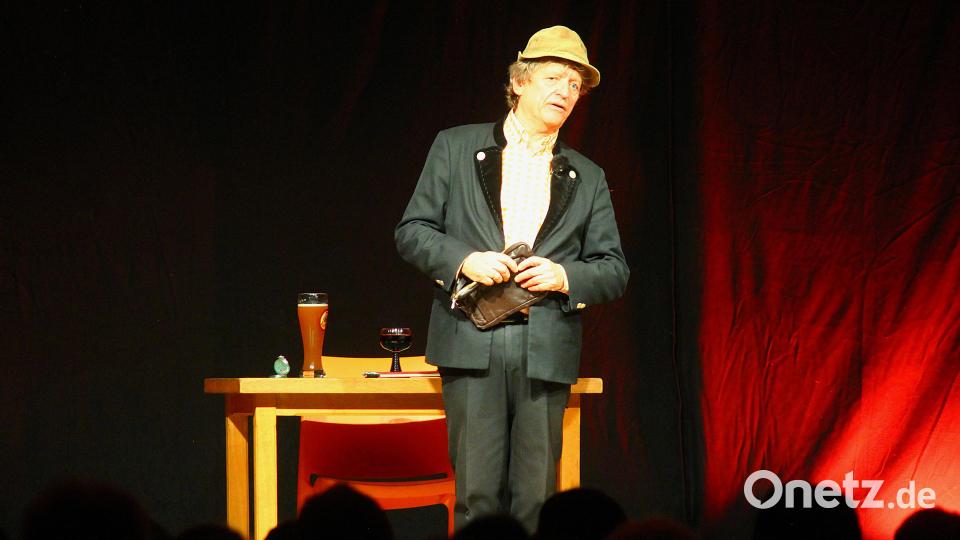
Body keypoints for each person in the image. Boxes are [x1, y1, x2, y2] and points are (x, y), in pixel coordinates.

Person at [395, 25, 629, 532]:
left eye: (575, 85)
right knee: (477, 497)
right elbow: (412, 231)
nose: (565, 92)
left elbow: (613, 270)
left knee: (537, 502)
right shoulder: (456, 148)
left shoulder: (586, 175)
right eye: (553, 77)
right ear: (520, 82)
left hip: (543, 345)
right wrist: (465, 260)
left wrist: (564, 275)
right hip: (471, 340)